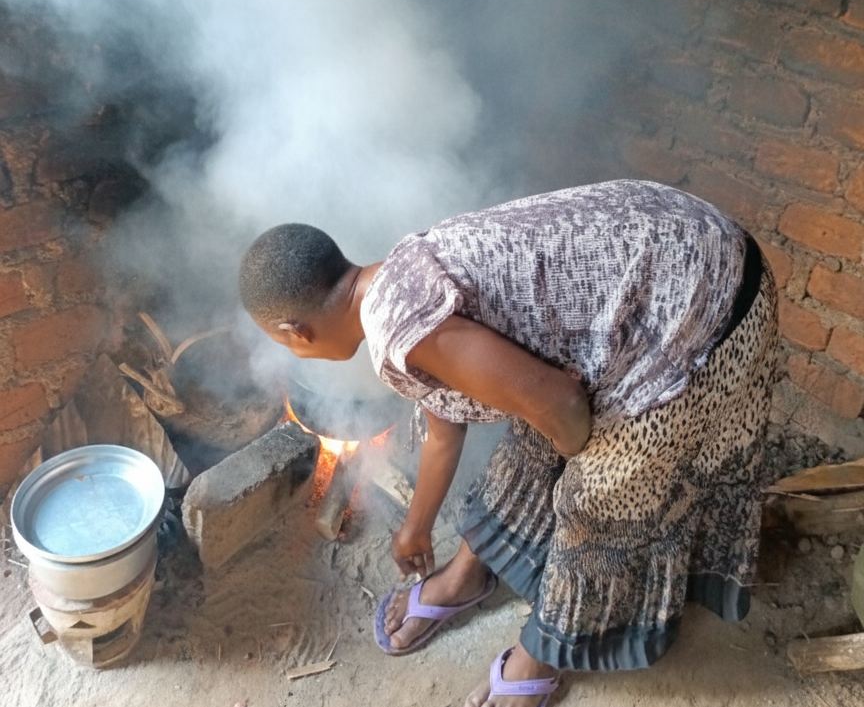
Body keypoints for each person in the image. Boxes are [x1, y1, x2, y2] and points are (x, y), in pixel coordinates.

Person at [238, 180, 778, 707]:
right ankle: (469, 572)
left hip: (706, 297)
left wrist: (580, 459)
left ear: (293, 331)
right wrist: (415, 527)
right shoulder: (393, 275)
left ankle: (543, 652)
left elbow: (564, 407)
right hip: (669, 243)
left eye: (278, 344)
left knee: (598, 501)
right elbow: (444, 430)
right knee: (533, 436)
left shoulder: (403, 328)